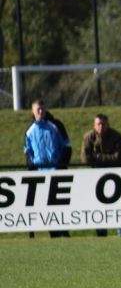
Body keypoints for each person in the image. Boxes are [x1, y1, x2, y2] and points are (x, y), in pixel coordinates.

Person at [25, 100, 72, 238]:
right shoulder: (29, 130)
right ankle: (52, 234)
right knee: (45, 206)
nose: (41, 111)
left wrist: (61, 166)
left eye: (42, 109)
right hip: (40, 175)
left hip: (56, 172)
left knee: (60, 205)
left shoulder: (56, 125)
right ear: (33, 111)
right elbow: (28, 152)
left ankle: (64, 231)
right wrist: (32, 168)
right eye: (38, 109)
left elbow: (67, 147)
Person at [82, 113, 121, 237]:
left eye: (103, 124)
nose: (101, 127)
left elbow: (118, 157)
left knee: (119, 204)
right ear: (94, 125)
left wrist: (97, 157)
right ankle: (101, 231)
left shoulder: (116, 137)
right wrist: (107, 158)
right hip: (97, 178)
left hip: (116, 176)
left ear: (108, 125)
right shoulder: (89, 137)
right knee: (99, 205)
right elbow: (85, 158)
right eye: (98, 124)